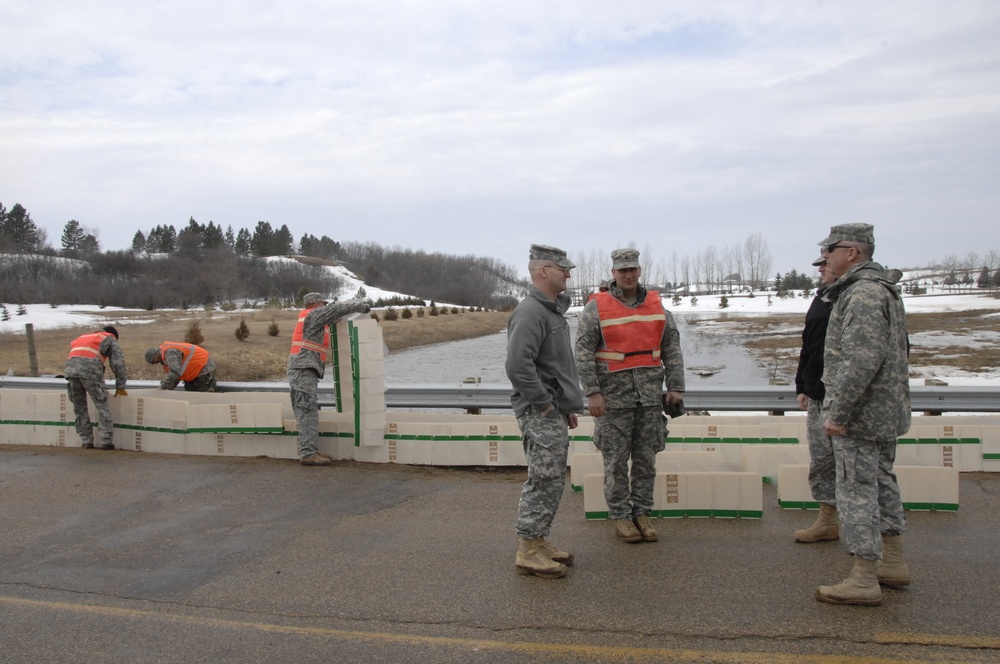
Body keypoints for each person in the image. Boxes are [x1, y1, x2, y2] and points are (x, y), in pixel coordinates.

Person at [813, 223, 911, 607]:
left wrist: (839, 412)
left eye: (830, 251)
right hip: (881, 413)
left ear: (851, 252)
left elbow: (860, 360)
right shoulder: (878, 288)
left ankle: (864, 576)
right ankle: (894, 563)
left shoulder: (864, 293)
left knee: (856, 490)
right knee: (883, 482)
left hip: (860, 415)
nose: (826, 258)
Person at [575, 248, 685, 544]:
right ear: (613, 272)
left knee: (646, 460)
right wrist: (592, 392)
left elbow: (672, 348)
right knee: (615, 462)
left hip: (649, 398)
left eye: (632, 269)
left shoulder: (657, 306)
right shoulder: (596, 308)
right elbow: (583, 354)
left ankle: (642, 513)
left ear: (639, 270)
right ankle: (621, 516)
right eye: (622, 270)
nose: (628, 274)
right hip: (613, 401)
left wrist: (676, 387)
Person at [505, 244, 584, 579]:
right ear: (542, 271)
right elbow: (517, 366)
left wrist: (565, 406)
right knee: (543, 479)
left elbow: (554, 366)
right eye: (561, 268)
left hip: (552, 410)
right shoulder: (531, 312)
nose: (568, 273)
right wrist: (545, 403)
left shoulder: (550, 311)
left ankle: (538, 541)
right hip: (539, 412)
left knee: (551, 479)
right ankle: (527, 550)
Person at [288, 292, 371, 466]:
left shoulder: (312, 318)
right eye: (323, 304)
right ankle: (308, 453)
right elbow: (337, 309)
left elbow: (333, 316)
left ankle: (310, 451)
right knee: (306, 410)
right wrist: (360, 306)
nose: (325, 306)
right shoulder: (315, 314)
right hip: (302, 369)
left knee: (307, 409)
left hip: (304, 368)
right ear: (316, 304)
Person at [793, 255, 837, 543]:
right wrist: (803, 385)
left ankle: (880, 540)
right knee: (822, 461)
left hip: (846, 397)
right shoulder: (821, 299)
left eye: (825, 263)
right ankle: (827, 520)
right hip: (818, 395)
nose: (820, 268)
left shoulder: (858, 298)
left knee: (857, 470)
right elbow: (808, 344)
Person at [64, 325, 128, 449]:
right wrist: (120, 386)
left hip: (70, 372)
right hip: (90, 372)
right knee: (102, 406)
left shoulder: (84, 337)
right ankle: (106, 441)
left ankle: (86, 441)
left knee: (79, 407)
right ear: (114, 335)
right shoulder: (109, 338)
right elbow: (118, 364)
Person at [144, 342, 217, 392]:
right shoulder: (165, 360)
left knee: (204, 396)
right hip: (193, 373)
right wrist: (167, 388)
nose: (155, 363)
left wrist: (162, 387)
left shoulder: (169, 352)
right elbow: (176, 377)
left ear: (155, 355)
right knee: (190, 396)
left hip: (204, 367)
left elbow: (175, 372)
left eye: (154, 361)